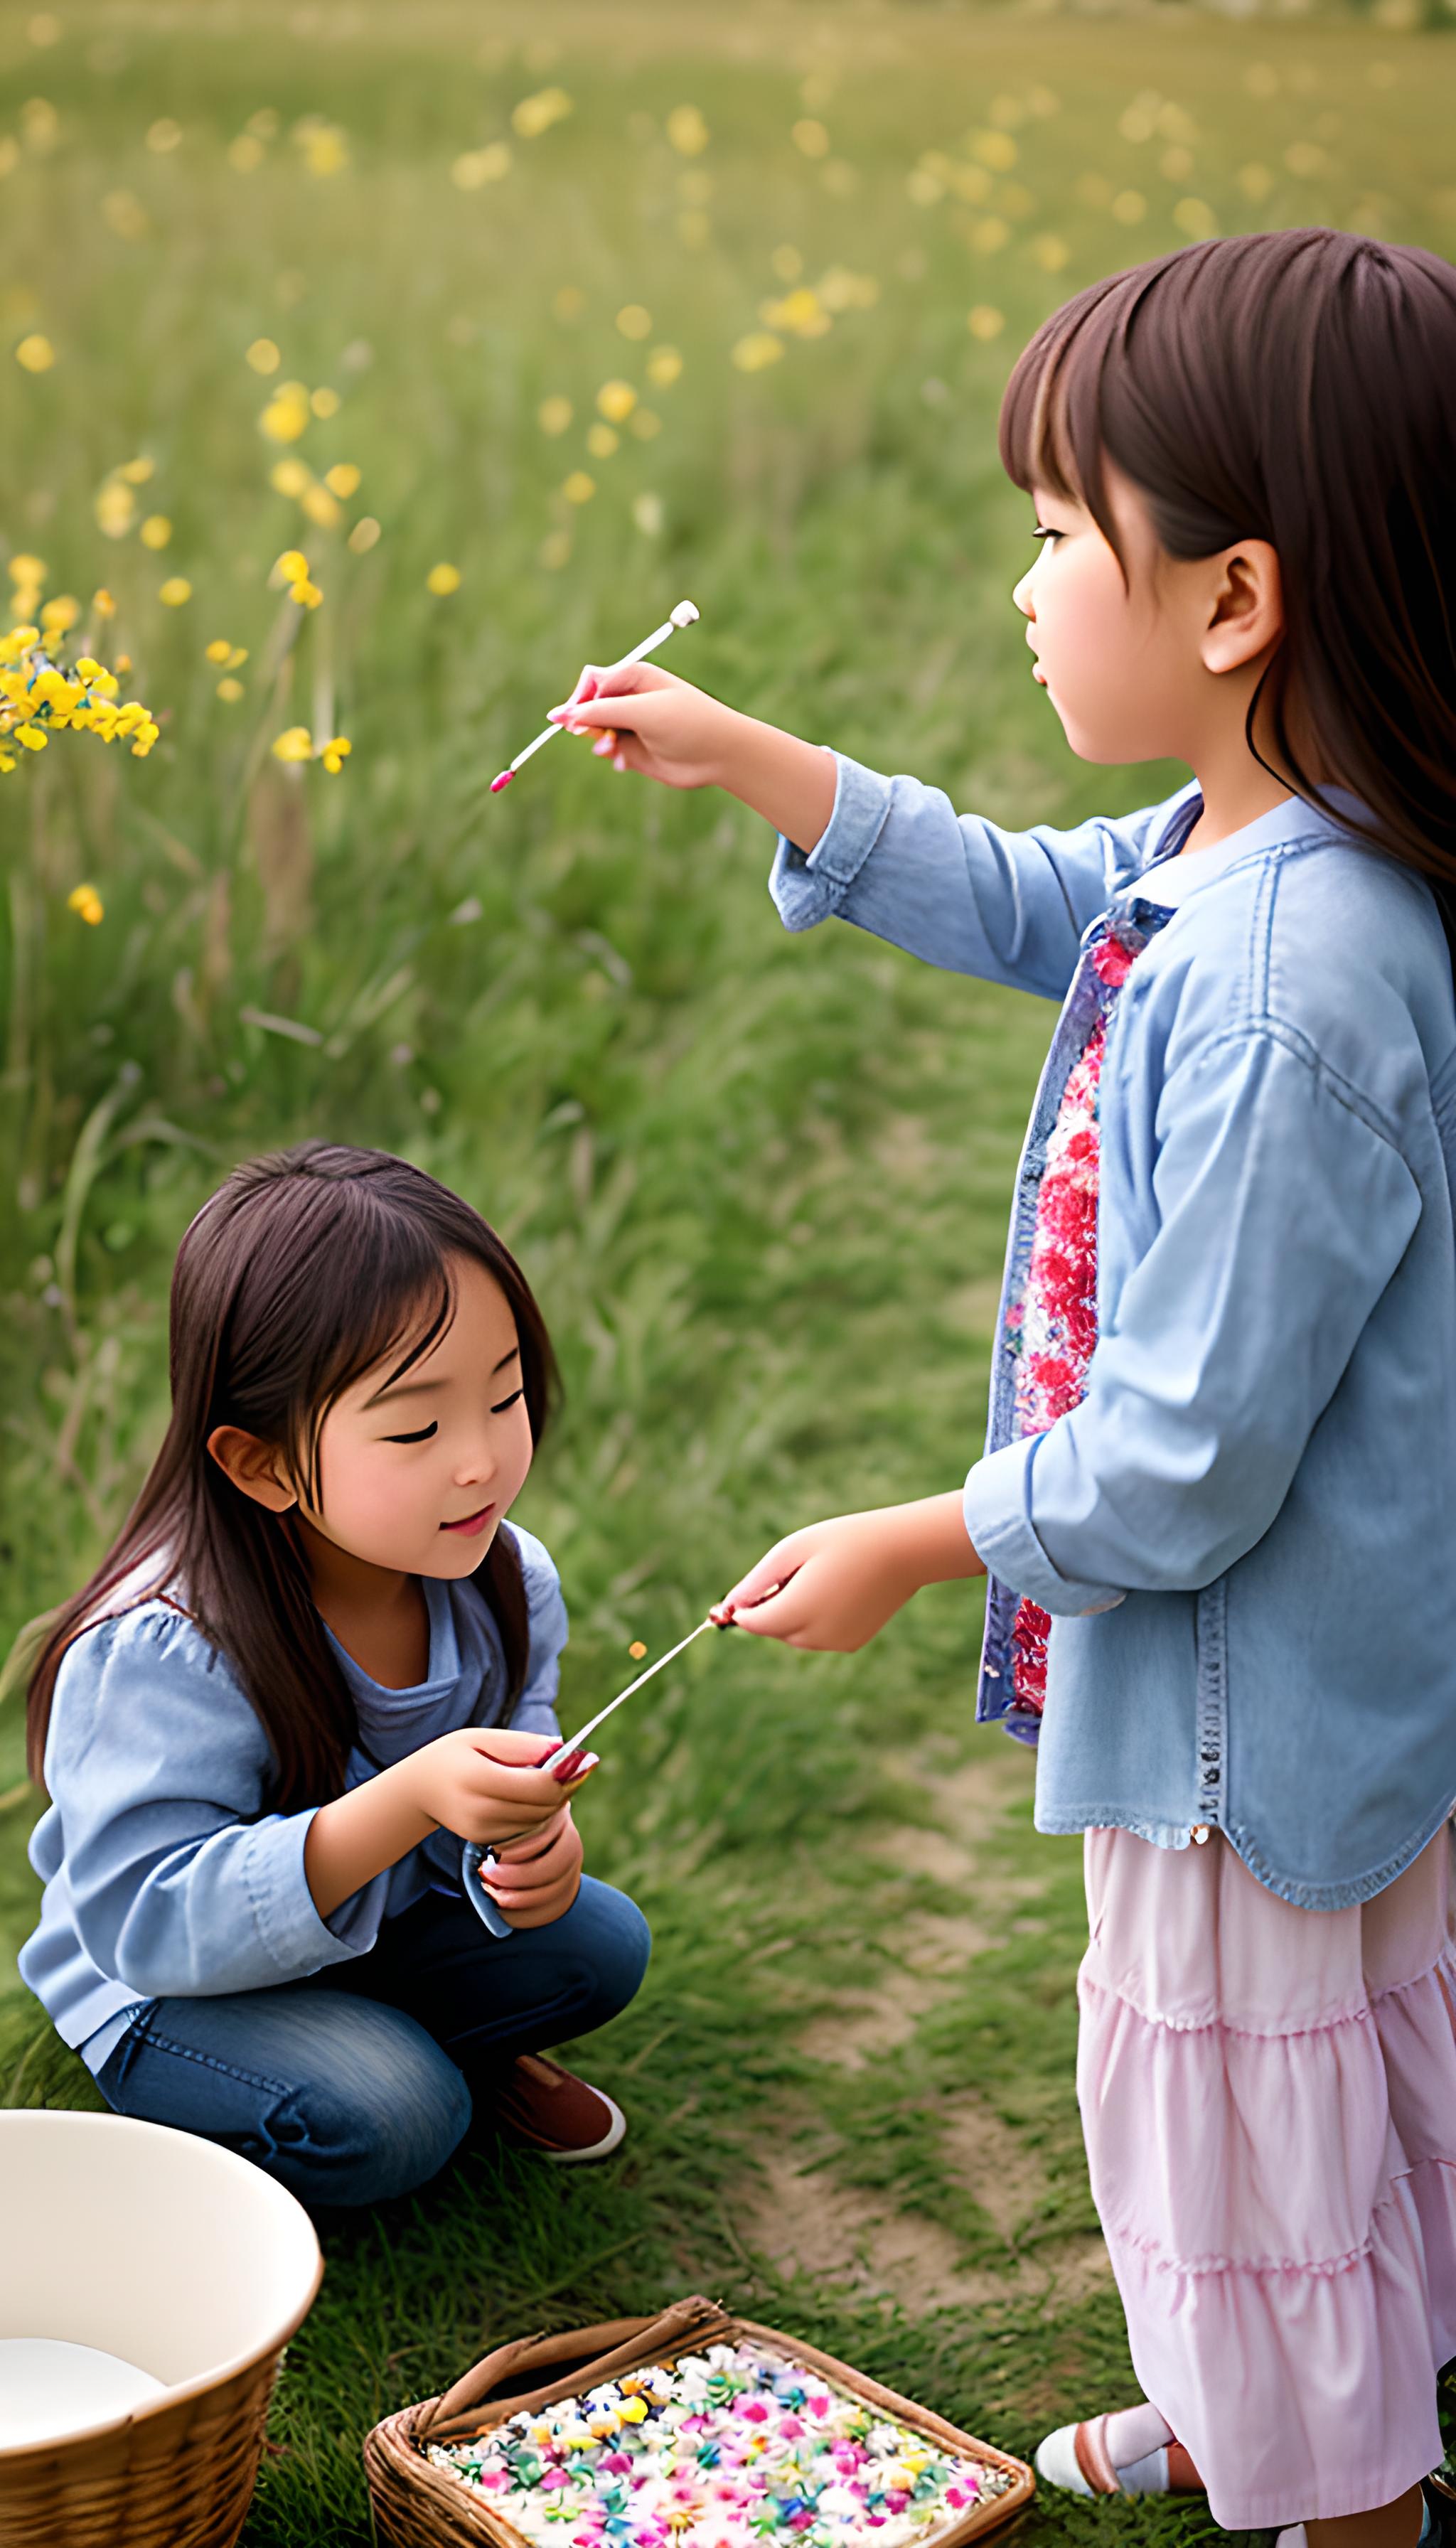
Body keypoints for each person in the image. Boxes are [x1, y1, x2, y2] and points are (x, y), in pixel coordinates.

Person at [548, 232, 1456, 2547]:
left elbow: (1174, 1459)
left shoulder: (1281, 990)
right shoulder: (1245, 853)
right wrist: (751, 759)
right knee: (1315, 2094)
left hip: (1252, 1716)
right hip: (1329, 1688)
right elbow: (1030, 896)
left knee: (1241, 2106)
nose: (1024, 582)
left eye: (1060, 534)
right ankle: (1257, 2381)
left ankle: (1325, 2480)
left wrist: (906, 1538)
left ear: (1231, 596)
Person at [20, 1142, 651, 2203]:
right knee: (398, 2115)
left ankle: (412, 2040)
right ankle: (247, 2115)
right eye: (415, 1426)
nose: (481, 1460)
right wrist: (408, 1800)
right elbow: (148, 1921)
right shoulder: (165, 1646)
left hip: (360, 1930)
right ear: (261, 1462)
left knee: (599, 1943)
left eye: (504, 1398)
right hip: (165, 1985)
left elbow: (517, 1752)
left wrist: (528, 1843)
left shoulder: (502, 1579)